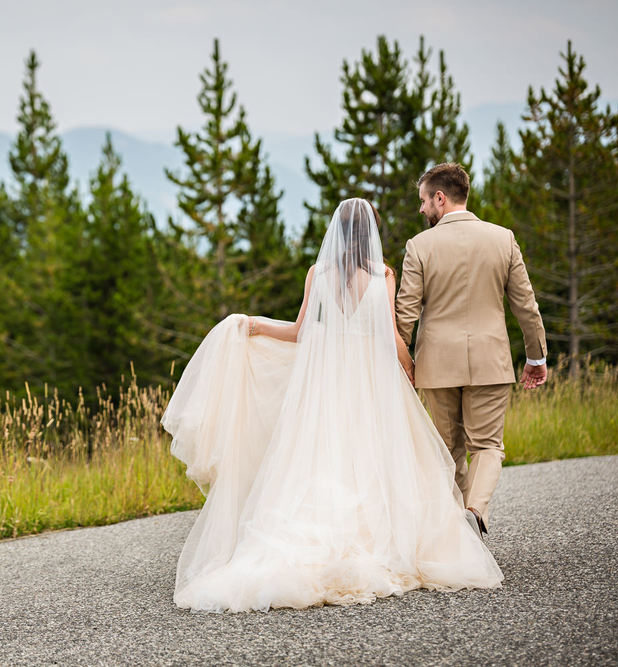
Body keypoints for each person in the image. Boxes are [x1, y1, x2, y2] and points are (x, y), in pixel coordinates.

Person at [162, 198, 503, 613]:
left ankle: (312, 545)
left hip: (326, 383)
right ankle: (383, 542)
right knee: (376, 457)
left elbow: (301, 331)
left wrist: (252, 325)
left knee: (321, 458)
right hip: (372, 382)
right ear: (371, 235)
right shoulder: (383, 275)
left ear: (336, 234)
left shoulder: (318, 274)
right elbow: (392, 336)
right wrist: (412, 368)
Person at [396, 163, 547, 536]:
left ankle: (460, 534)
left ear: (440, 198)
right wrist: (536, 356)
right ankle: (475, 512)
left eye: (424, 201)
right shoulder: (502, 238)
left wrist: (403, 361)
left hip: (436, 364)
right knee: (487, 446)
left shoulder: (420, 246)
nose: (421, 209)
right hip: (490, 360)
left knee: (448, 450)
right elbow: (526, 305)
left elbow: (405, 312)